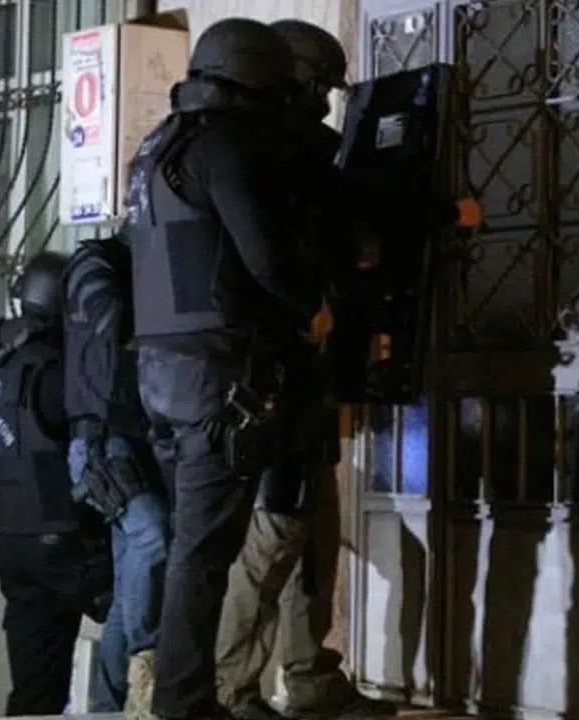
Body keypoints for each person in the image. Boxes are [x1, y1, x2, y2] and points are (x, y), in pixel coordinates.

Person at [124, 16, 333, 720]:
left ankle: (184, 696)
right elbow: (265, 257)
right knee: (205, 554)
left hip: (162, 375)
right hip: (218, 379)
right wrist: (311, 305)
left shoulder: (157, 148)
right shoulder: (225, 146)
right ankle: (185, 702)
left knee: (193, 545)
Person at [213, 19, 396, 720]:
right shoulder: (270, 148)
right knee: (274, 532)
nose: (324, 100)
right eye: (319, 85)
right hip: (274, 376)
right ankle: (232, 687)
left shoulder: (268, 147)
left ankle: (309, 673)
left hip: (301, 374)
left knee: (311, 528)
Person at [0, 251, 112, 716]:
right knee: (153, 610)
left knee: (34, 697)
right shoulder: (54, 371)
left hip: (14, 548)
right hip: (68, 545)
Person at [62, 232, 170, 715]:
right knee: (153, 538)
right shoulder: (95, 262)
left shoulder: (132, 268)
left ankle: (108, 705)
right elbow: (112, 319)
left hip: (136, 440)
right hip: (103, 442)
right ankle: (145, 659)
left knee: (130, 586)